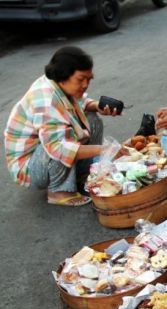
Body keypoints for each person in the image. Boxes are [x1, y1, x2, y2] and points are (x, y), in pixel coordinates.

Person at [4, 46, 121, 206]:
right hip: (30, 168)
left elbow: (79, 101)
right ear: (64, 75)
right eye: (81, 79)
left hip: (45, 152)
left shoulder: (59, 85)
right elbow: (58, 148)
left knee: (92, 118)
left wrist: (96, 105)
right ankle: (59, 191)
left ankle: (82, 174)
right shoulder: (46, 100)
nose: (86, 84)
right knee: (60, 144)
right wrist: (106, 149)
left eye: (89, 79)